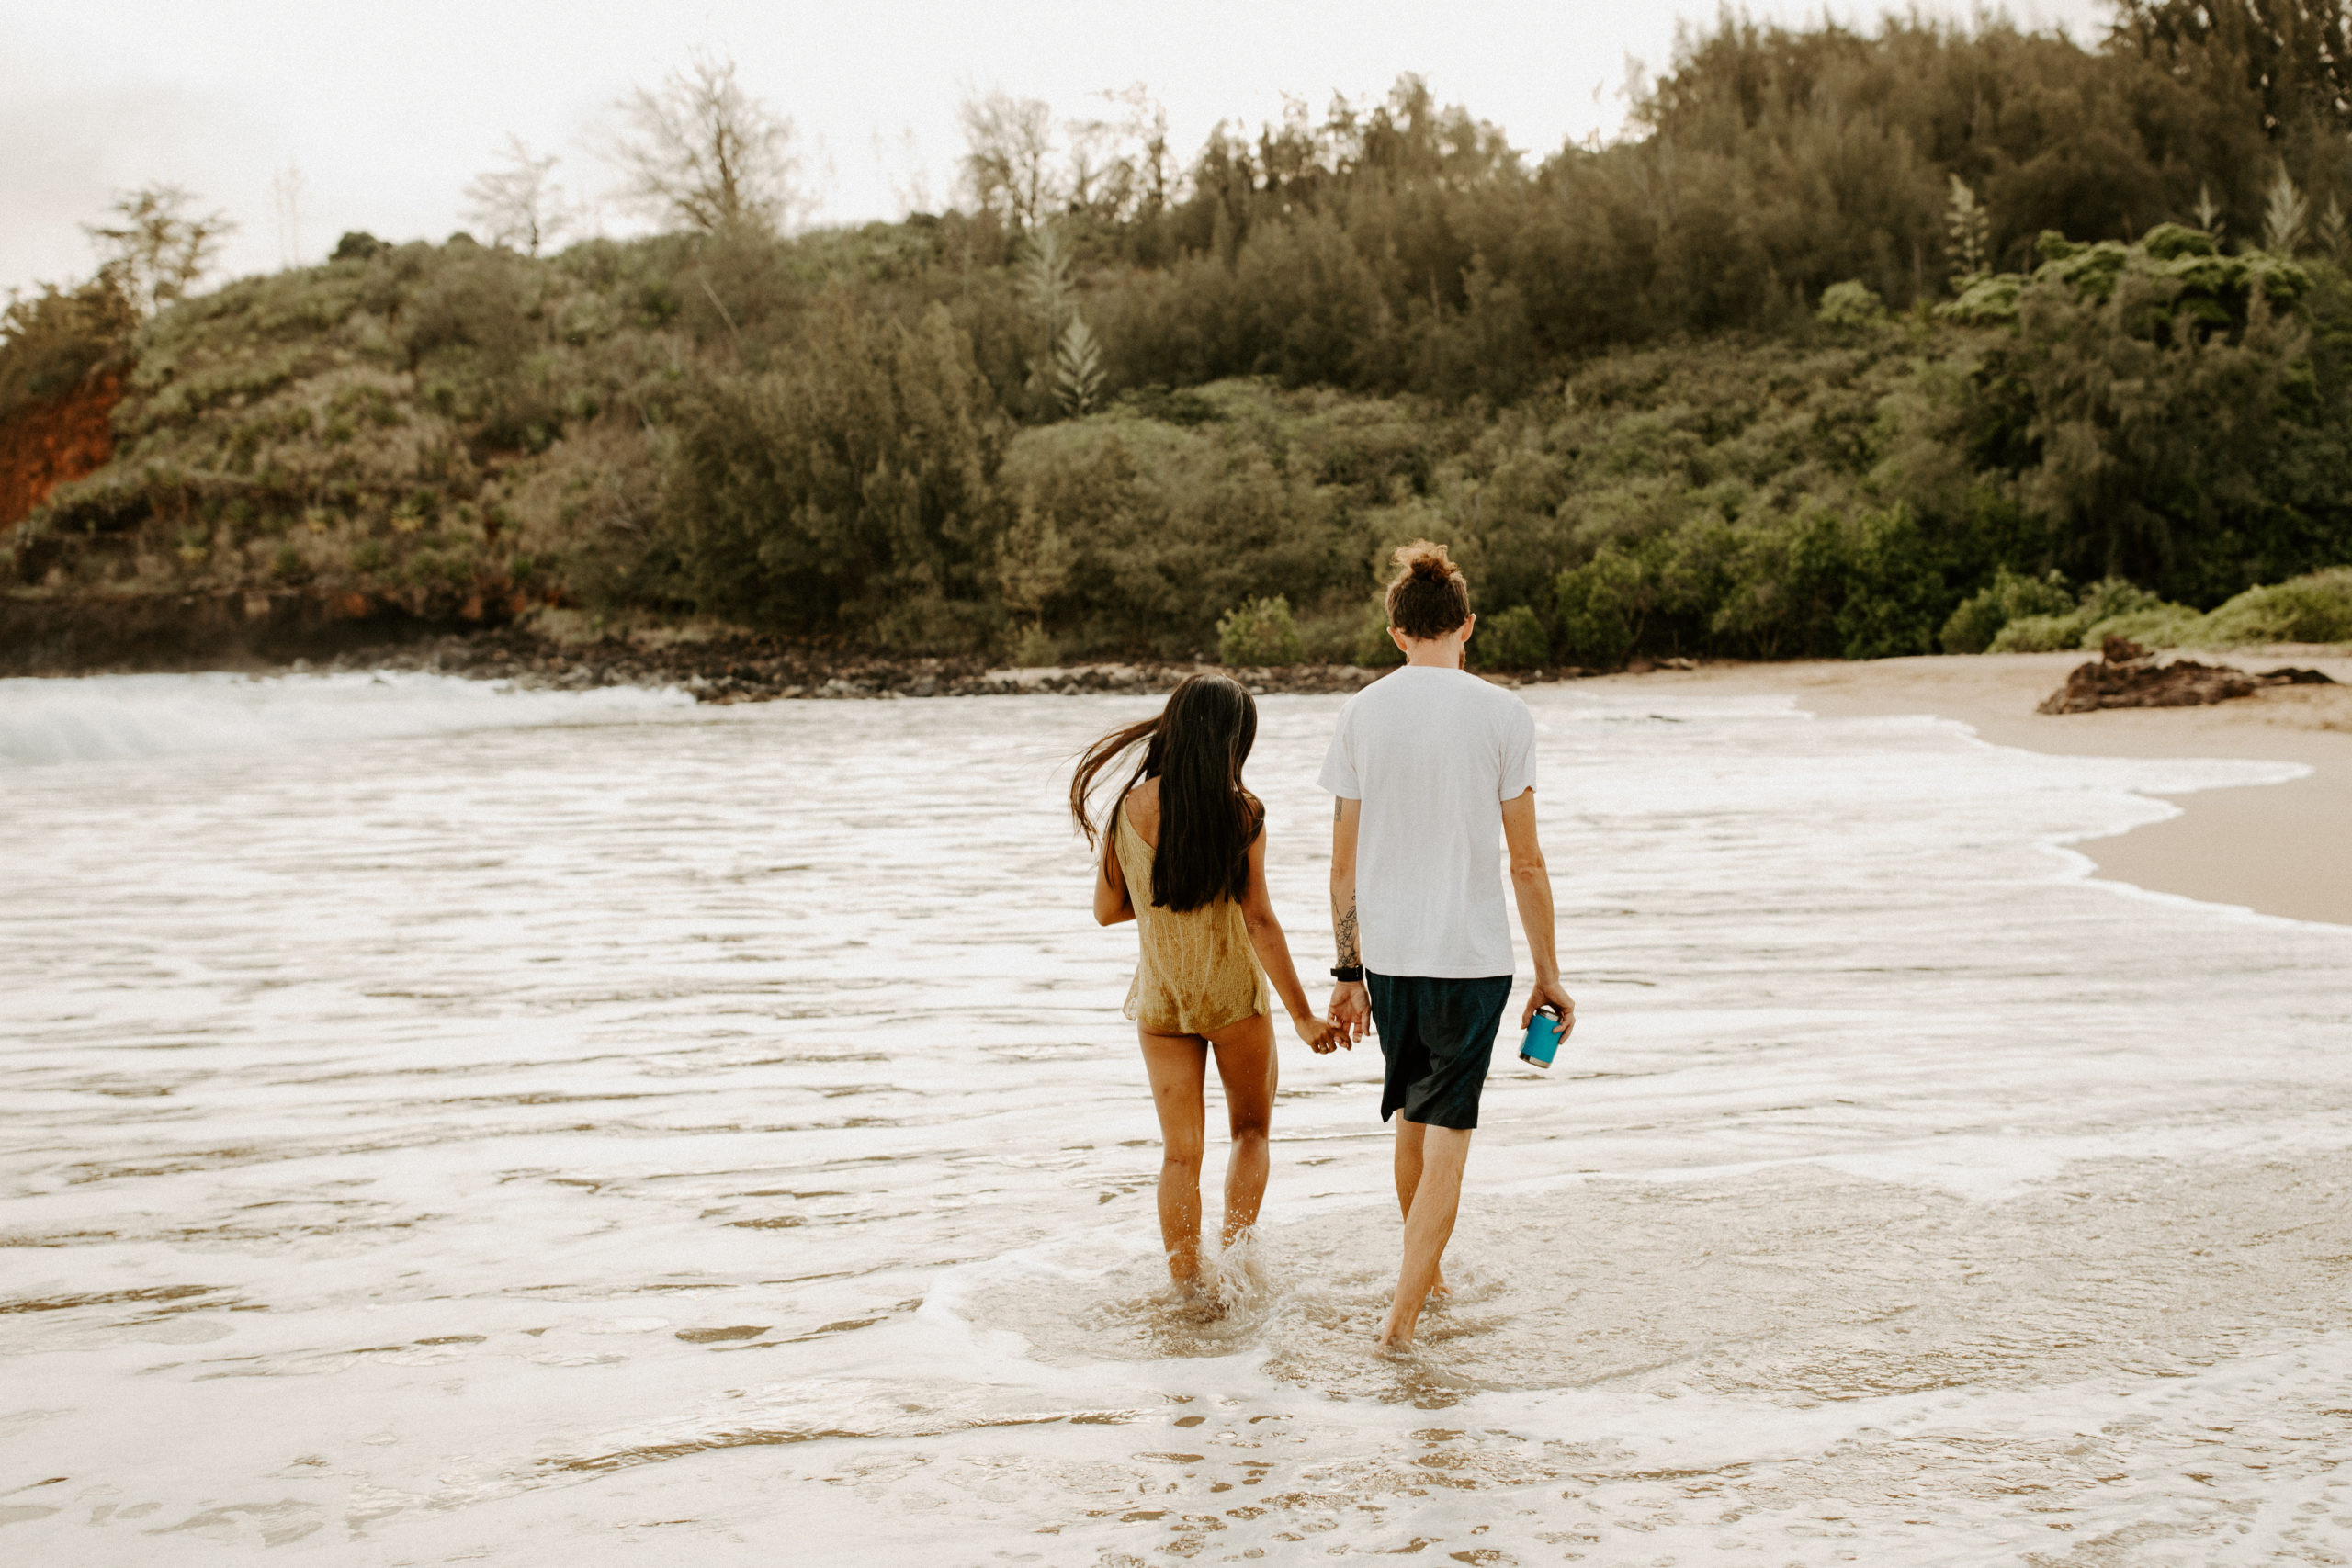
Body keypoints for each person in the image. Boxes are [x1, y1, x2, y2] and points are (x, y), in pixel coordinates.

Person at [1319, 541, 1577, 1349]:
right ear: (1468, 626)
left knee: (1412, 1119)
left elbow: (1341, 865)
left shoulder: (1361, 711)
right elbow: (1526, 861)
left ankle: (1424, 1280)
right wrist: (1550, 976)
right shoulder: (1505, 714)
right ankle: (1398, 1324)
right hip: (1471, 960)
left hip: (1391, 958)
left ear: (1397, 632)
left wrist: (1349, 970)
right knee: (1449, 1141)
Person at [1072, 672, 1342, 1292]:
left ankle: (1187, 1286)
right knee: (1250, 1132)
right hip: (1233, 997)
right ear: (1231, 740)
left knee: (1178, 1154)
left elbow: (1107, 909)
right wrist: (1303, 1017)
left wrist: (1169, 893)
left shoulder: (1127, 810)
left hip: (1162, 1002)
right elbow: (1258, 917)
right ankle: (1240, 1263)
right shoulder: (1242, 809)